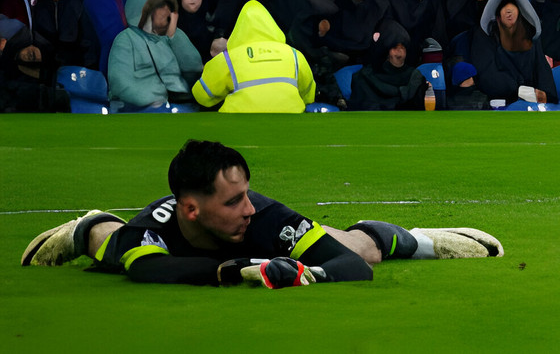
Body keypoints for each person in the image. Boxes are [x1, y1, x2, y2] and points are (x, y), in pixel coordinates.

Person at [21, 140, 504, 285]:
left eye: (246, 193)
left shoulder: (264, 216)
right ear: (192, 208)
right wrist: (237, 272)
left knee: (362, 249)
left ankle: (409, 236)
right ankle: (82, 225)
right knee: (108, 243)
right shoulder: (152, 231)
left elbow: (351, 267)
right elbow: (152, 270)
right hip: (164, 240)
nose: (247, 208)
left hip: (264, 249)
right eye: (232, 201)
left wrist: (304, 272)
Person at [193, 0, 314, 113]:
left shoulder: (230, 58)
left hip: (239, 121)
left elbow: (202, 95)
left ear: (239, 28)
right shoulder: (293, 54)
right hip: (291, 118)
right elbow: (309, 94)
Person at [106, 0, 203, 112]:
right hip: (137, 109)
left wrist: (175, 37)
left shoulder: (170, 35)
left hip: (174, 106)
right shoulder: (125, 39)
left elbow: (194, 66)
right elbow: (120, 82)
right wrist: (155, 100)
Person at [469, 0, 557, 105]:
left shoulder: (530, 35)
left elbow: (542, 69)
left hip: (532, 100)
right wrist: (518, 89)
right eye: (504, 8)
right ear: (498, 15)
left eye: (512, 8)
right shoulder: (486, 36)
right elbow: (486, 73)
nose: (508, 12)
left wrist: (545, 95)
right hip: (500, 101)